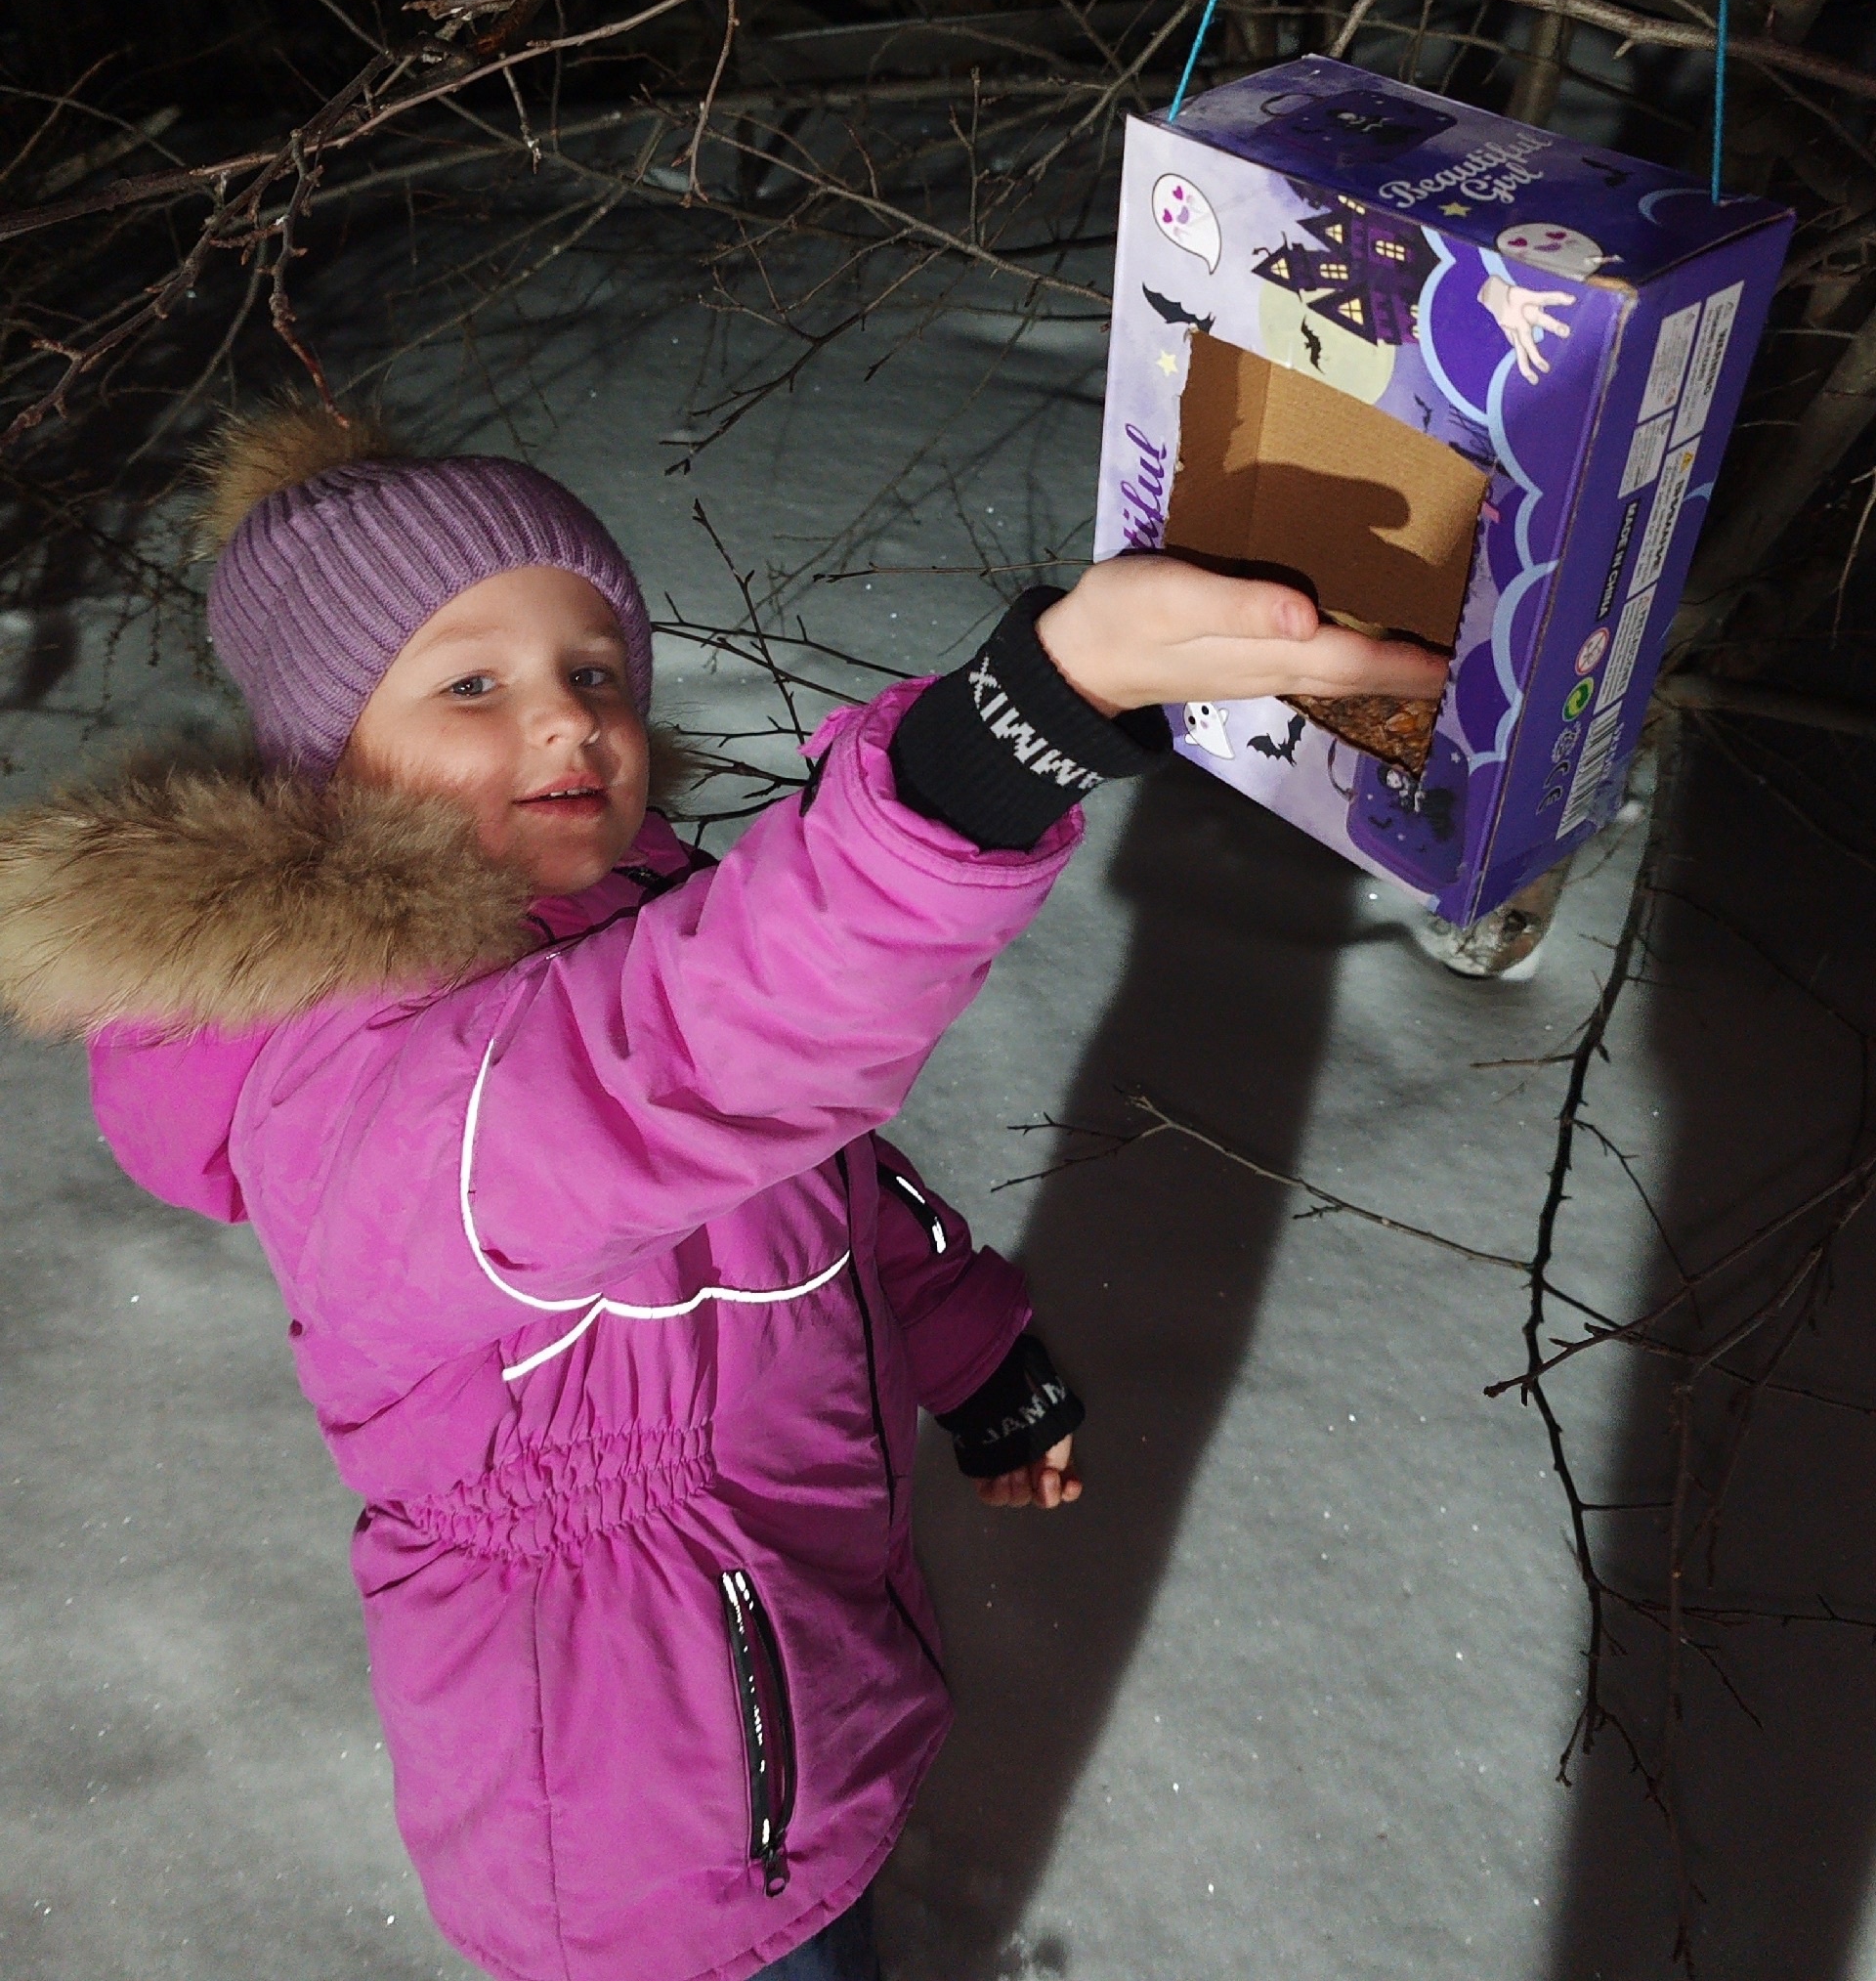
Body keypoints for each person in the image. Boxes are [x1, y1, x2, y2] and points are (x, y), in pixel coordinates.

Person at [0, 406, 1445, 1981]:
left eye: (592, 670)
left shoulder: (615, 913)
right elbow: (677, 1070)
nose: (566, 725)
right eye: (471, 684)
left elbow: (814, 1181)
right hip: (644, 1810)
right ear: (326, 759)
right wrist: (1009, 737)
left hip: (795, 1650)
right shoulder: (364, 1093)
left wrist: (969, 1344)